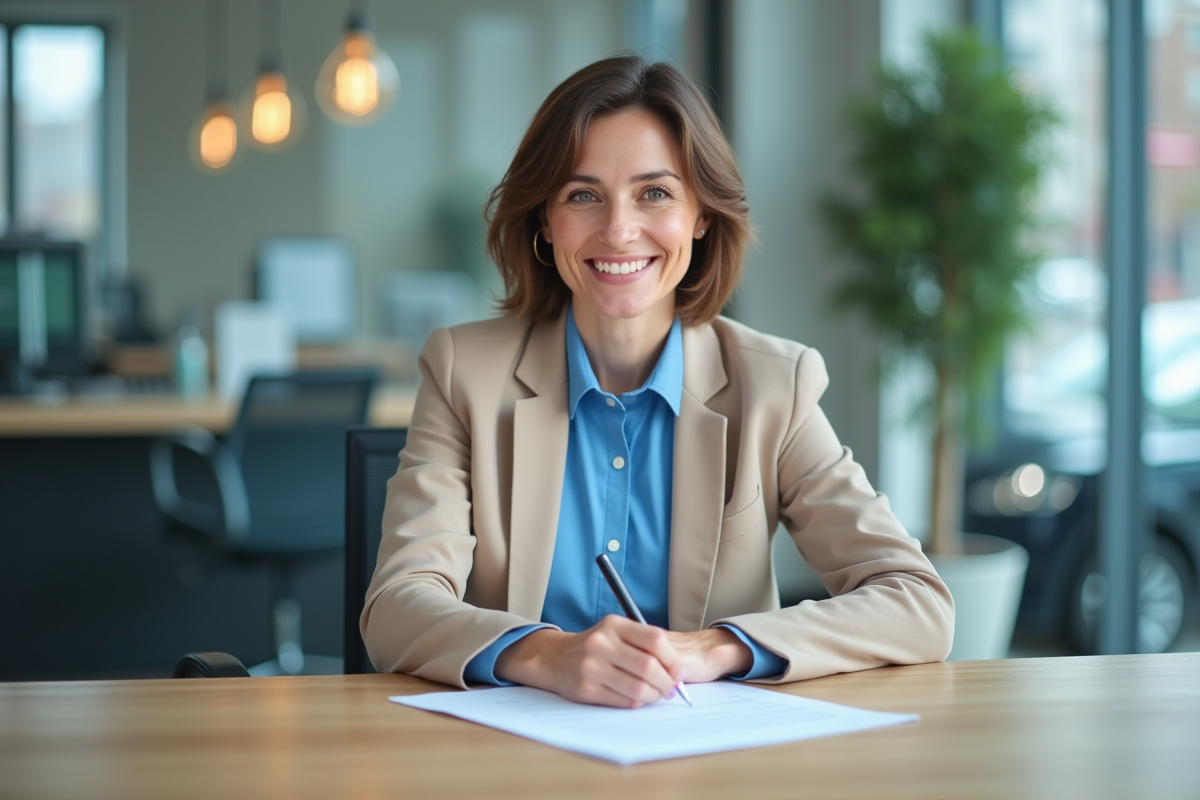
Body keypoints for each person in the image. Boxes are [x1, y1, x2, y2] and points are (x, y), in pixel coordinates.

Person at [362, 54, 954, 708]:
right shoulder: (463, 372)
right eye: (583, 195)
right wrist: (546, 654)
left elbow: (917, 602)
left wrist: (711, 648)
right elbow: (396, 608)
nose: (619, 230)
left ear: (701, 215)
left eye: (655, 193)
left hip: (707, 759)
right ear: (545, 221)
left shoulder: (773, 386)